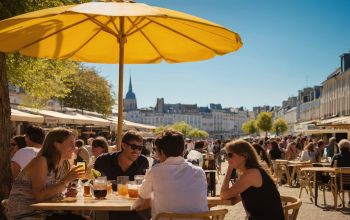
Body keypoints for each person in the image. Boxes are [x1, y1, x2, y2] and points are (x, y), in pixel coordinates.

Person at [8, 128, 85, 220]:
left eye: (74, 143)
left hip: (47, 212)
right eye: (70, 143)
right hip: (26, 214)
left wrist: (67, 192)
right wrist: (67, 180)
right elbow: (40, 197)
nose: (74, 147)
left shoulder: (64, 164)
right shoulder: (41, 161)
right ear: (56, 145)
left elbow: (54, 192)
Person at [137, 129, 208, 219]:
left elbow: (142, 195)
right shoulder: (199, 172)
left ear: (161, 152)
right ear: (183, 150)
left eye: (156, 150)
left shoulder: (156, 171)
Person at [220, 140, 284, 220]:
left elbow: (224, 195)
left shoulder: (251, 174)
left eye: (230, 155)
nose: (227, 158)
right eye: (226, 155)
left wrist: (229, 169)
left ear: (244, 156)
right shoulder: (254, 171)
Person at [94, 130, 149, 220]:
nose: (137, 151)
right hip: (108, 206)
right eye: (134, 147)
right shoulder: (103, 160)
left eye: (140, 148)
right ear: (123, 145)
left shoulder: (143, 162)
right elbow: (94, 181)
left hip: (132, 207)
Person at [331, 139, 350, 205]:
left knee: (332, 181)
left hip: (339, 184)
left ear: (339, 147)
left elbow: (332, 168)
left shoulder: (336, 156)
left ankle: (337, 201)